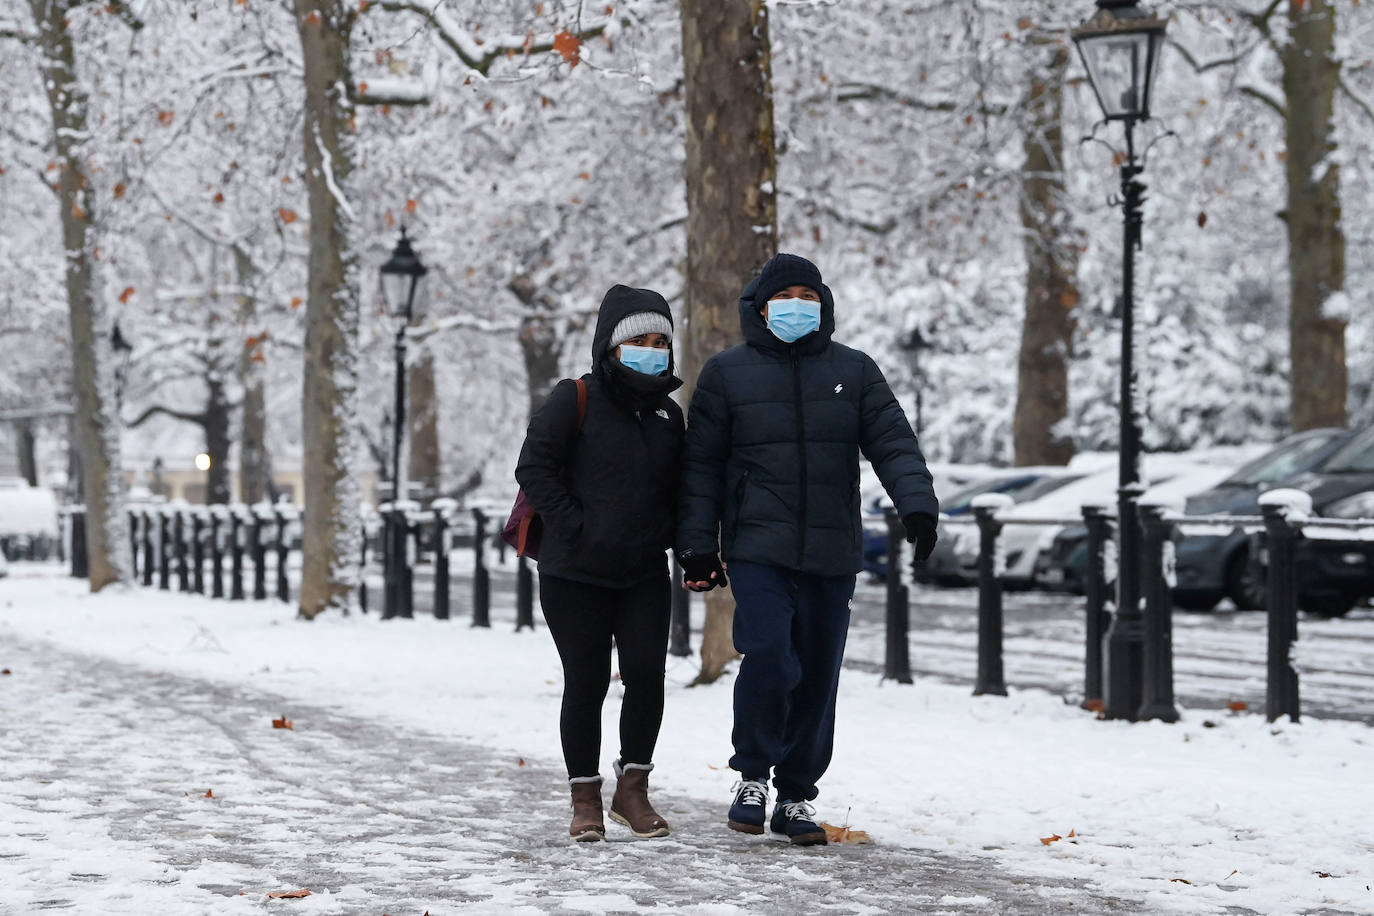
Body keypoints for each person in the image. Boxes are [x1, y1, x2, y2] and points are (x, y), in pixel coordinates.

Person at [676, 253, 938, 846]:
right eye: (786, 294)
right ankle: (752, 776)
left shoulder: (855, 371)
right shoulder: (727, 373)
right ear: (761, 306)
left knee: (818, 671)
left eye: (809, 295)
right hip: (757, 545)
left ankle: (796, 794)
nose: (799, 304)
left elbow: (893, 441)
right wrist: (696, 547)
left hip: (831, 548)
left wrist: (917, 504)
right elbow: (701, 468)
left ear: (823, 306)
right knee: (769, 653)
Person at [514, 285, 685, 842]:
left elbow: (679, 492)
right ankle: (584, 797)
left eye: (661, 341)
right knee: (585, 683)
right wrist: (578, 527)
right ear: (611, 346)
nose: (652, 349)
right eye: (639, 339)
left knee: (646, 679)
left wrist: (690, 547)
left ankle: (632, 791)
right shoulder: (575, 398)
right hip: (574, 574)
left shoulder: (667, 414)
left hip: (642, 574)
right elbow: (534, 468)